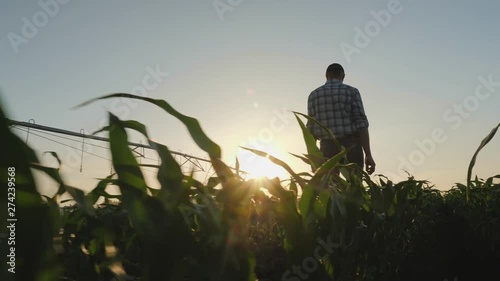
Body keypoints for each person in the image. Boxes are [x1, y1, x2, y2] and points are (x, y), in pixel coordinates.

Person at [306, 63, 376, 174]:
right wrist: (368, 155)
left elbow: (310, 129)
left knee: (330, 188)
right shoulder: (352, 92)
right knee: (354, 187)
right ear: (343, 76)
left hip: (327, 149)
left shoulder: (314, 95)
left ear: (326, 75)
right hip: (351, 146)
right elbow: (362, 124)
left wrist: (313, 158)